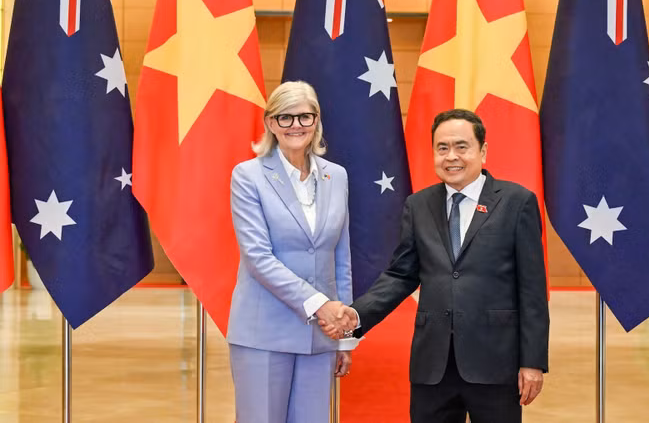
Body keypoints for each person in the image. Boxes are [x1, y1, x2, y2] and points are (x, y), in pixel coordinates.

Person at [324, 109, 549, 423]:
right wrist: (357, 315)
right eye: (442, 148)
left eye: (461, 146)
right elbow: (400, 275)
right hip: (432, 366)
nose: (451, 156)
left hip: (495, 363)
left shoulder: (517, 202)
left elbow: (532, 290)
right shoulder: (418, 205)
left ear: (483, 151)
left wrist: (532, 361)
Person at [227, 81, 357, 423]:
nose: (295, 125)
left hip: (321, 336)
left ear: (316, 121)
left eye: (304, 116)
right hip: (263, 334)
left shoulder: (337, 176)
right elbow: (258, 258)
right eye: (285, 117)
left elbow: (340, 257)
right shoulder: (248, 176)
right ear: (270, 123)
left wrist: (344, 336)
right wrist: (320, 305)